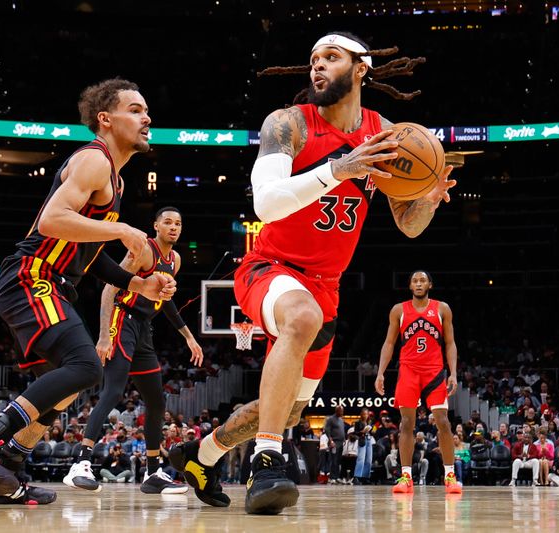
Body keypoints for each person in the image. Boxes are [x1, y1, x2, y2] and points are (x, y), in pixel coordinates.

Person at [169, 31, 454, 515]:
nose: (317, 66)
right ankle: (266, 462)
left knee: (289, 409)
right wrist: (337, 170)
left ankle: (203, 456)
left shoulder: (385, 132)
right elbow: (266, 202)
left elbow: (408, 226)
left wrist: (424, 200)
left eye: (331, 57)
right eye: (313, 59)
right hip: (270, 268)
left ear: (361, 68)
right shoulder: (287, 125)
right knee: (300, 319)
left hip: (327, 288)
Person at [0, 78, 175, 505]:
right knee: (87, 368)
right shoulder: (94, 160)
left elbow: (92, 255)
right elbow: (51, 220)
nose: (147, 117)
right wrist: (121, 229)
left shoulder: (115, 181)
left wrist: (137, 282)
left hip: (53, 283)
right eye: (136, 109)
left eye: (146, 110)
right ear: (105, 119)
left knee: (60, 388)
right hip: (33, 275)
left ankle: (5, 472)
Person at [63, 207, 199, 495]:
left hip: (143, 329)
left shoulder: (174, 260)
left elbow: (167, 301)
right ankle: (81, 462)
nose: (173, 227)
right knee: (113, 392)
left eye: (178, 223)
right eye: (168, 222)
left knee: (156, 401)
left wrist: (188, 336)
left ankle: (152, 474)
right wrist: (103, 336)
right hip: (121, 320)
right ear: (156, 226)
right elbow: (109, 290)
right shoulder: (144, 250)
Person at [375, 271, 461, 494]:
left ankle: (450, 476)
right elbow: (389, 343)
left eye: (423, 280)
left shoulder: (442, 308)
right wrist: (380, 372)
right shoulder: (398, 310)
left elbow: (450, 343)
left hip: (434, 371)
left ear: (430, 284)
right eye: (415, 280)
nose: (419, 283)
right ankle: (406, 477)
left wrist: (453, 373)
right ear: (410, 286)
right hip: (409, 371)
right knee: (406, 423)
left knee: (442, 421)